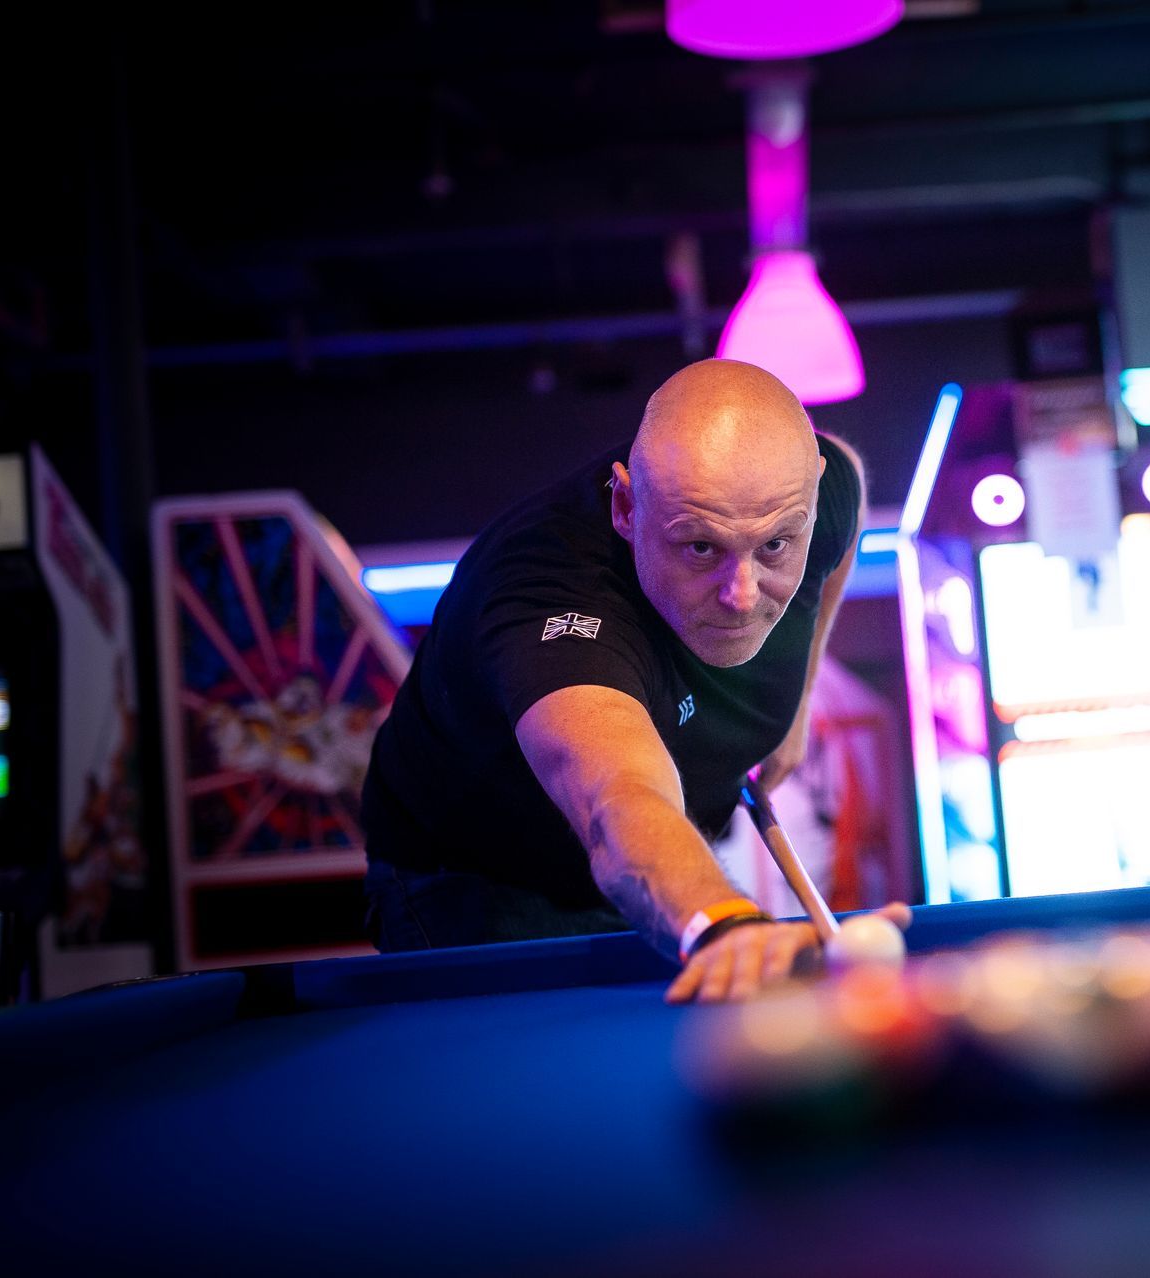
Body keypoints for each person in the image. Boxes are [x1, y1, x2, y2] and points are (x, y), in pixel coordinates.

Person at [360, 359, 909, 1002]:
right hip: (481, 883)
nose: (741, 594)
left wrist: (802, 694)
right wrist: (723, 921)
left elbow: (841, 474)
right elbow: (618, 799)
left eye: (774, 547)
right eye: (701, 548)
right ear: (625, 505)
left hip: (658, 868)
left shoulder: (806, 495)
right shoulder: (555, 595)